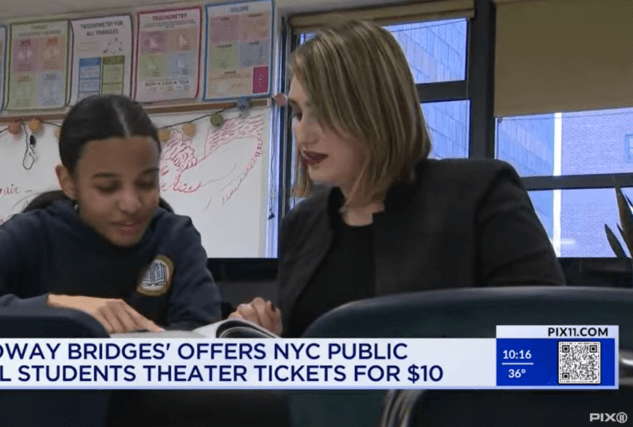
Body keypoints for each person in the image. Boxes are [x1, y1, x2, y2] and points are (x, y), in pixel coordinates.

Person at [229, 20, 565, 337]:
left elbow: (571, 358)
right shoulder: (302, 224)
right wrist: (268, 336)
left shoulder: (480, 193)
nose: (303, 134)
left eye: (325, 112)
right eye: (298, 113)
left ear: (375, 111)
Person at [0, 94, 222, 333]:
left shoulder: (175, 237)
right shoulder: (32, 234)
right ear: (68, 182)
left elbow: (202, 334)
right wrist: (60, 307)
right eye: (108, 187)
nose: (132, 203)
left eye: (147, 183)